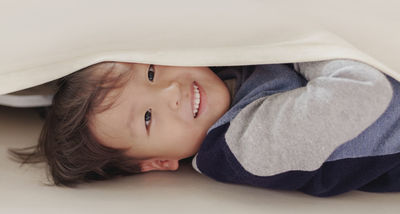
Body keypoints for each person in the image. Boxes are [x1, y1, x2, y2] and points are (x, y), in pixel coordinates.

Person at [10, 59, 400, 197]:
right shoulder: (245, 146)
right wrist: (301, 45)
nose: (169, 91)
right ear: (160, 161)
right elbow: (363, 92)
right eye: (148, 117)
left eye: (150, 72)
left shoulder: (225, 71)